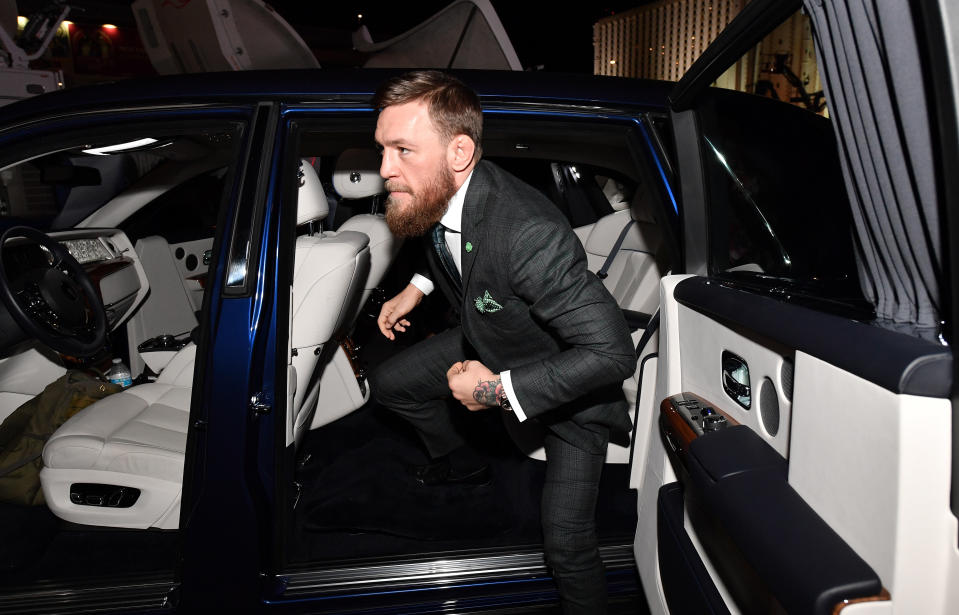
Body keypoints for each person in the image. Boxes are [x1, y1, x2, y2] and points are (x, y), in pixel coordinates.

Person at [370, 70, 636, 615]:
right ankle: (463, 461)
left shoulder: (525, 233)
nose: (383, 170)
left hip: (568, 385)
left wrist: (492, 391)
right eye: (382, 149)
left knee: (565, 543)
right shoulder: (446, 190)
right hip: (490, 336)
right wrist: (416, 290)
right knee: (391, 383)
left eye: (401, 150)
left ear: (459, 151)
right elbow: (448, 243)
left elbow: (611, 353)